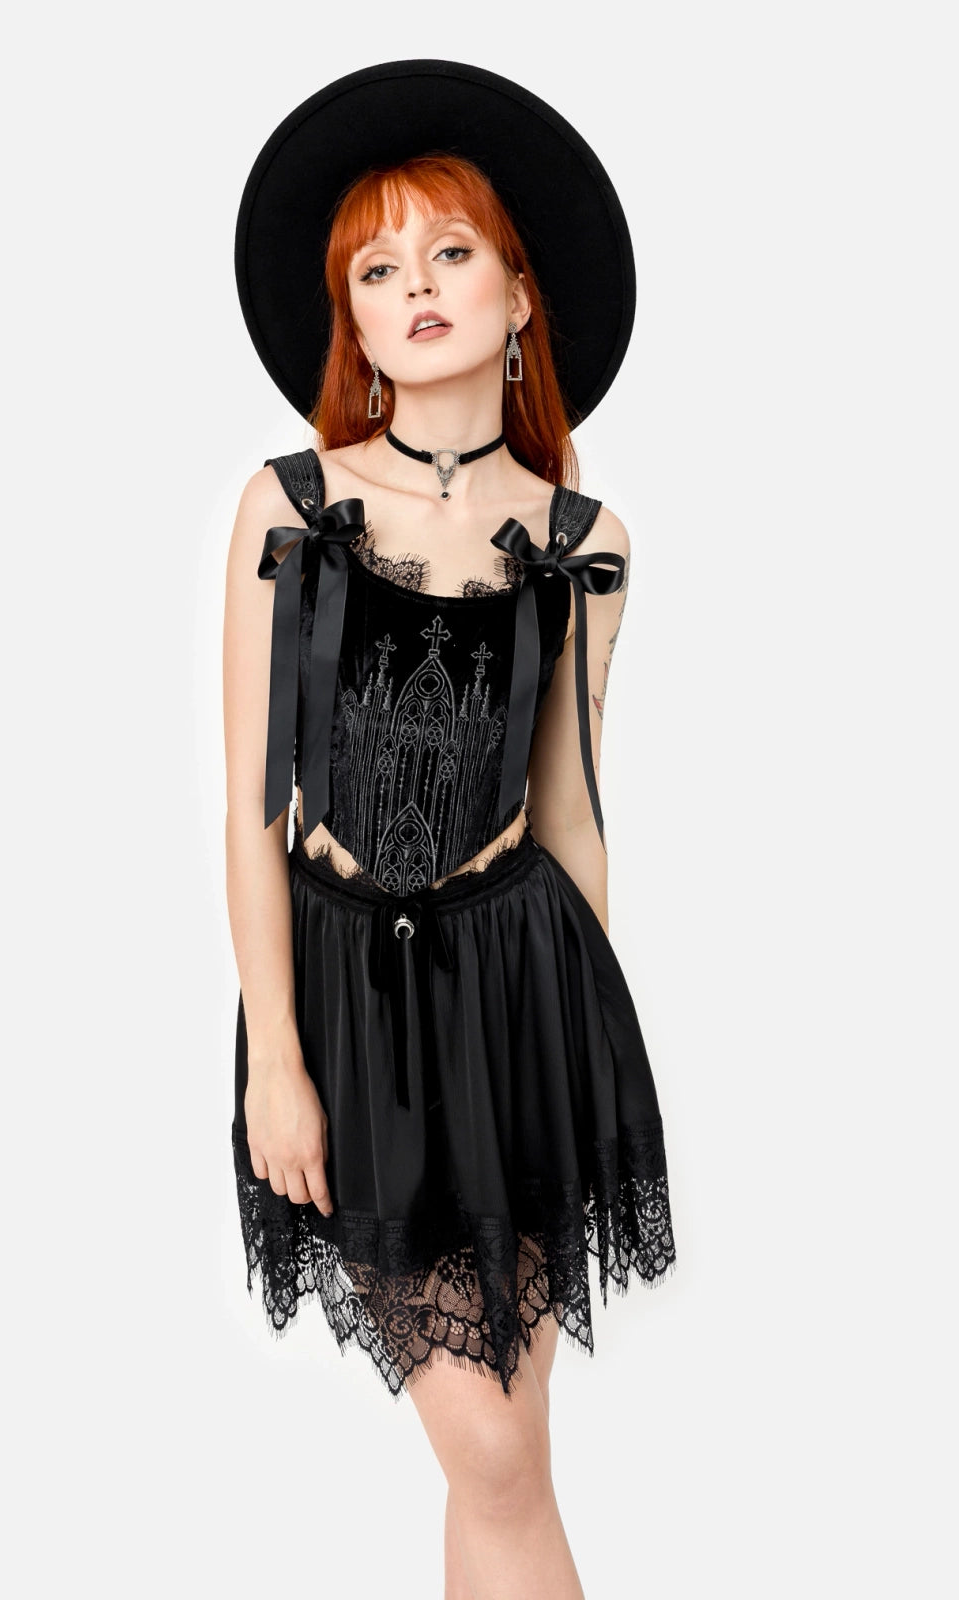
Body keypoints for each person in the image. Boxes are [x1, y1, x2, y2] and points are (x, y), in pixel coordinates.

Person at [224, 60, 677, 1599]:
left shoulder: (581, 544)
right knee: (489, 1449)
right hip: (348, 1004)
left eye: (451, 251)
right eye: (375, 269)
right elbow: (251, 807)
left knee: (505, 1452)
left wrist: (581, 1062)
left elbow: (570, 812)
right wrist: (275, 1061)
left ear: (519, 295)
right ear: (350, 325)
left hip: (519, 996)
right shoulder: (290, 509)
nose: (414, 286)